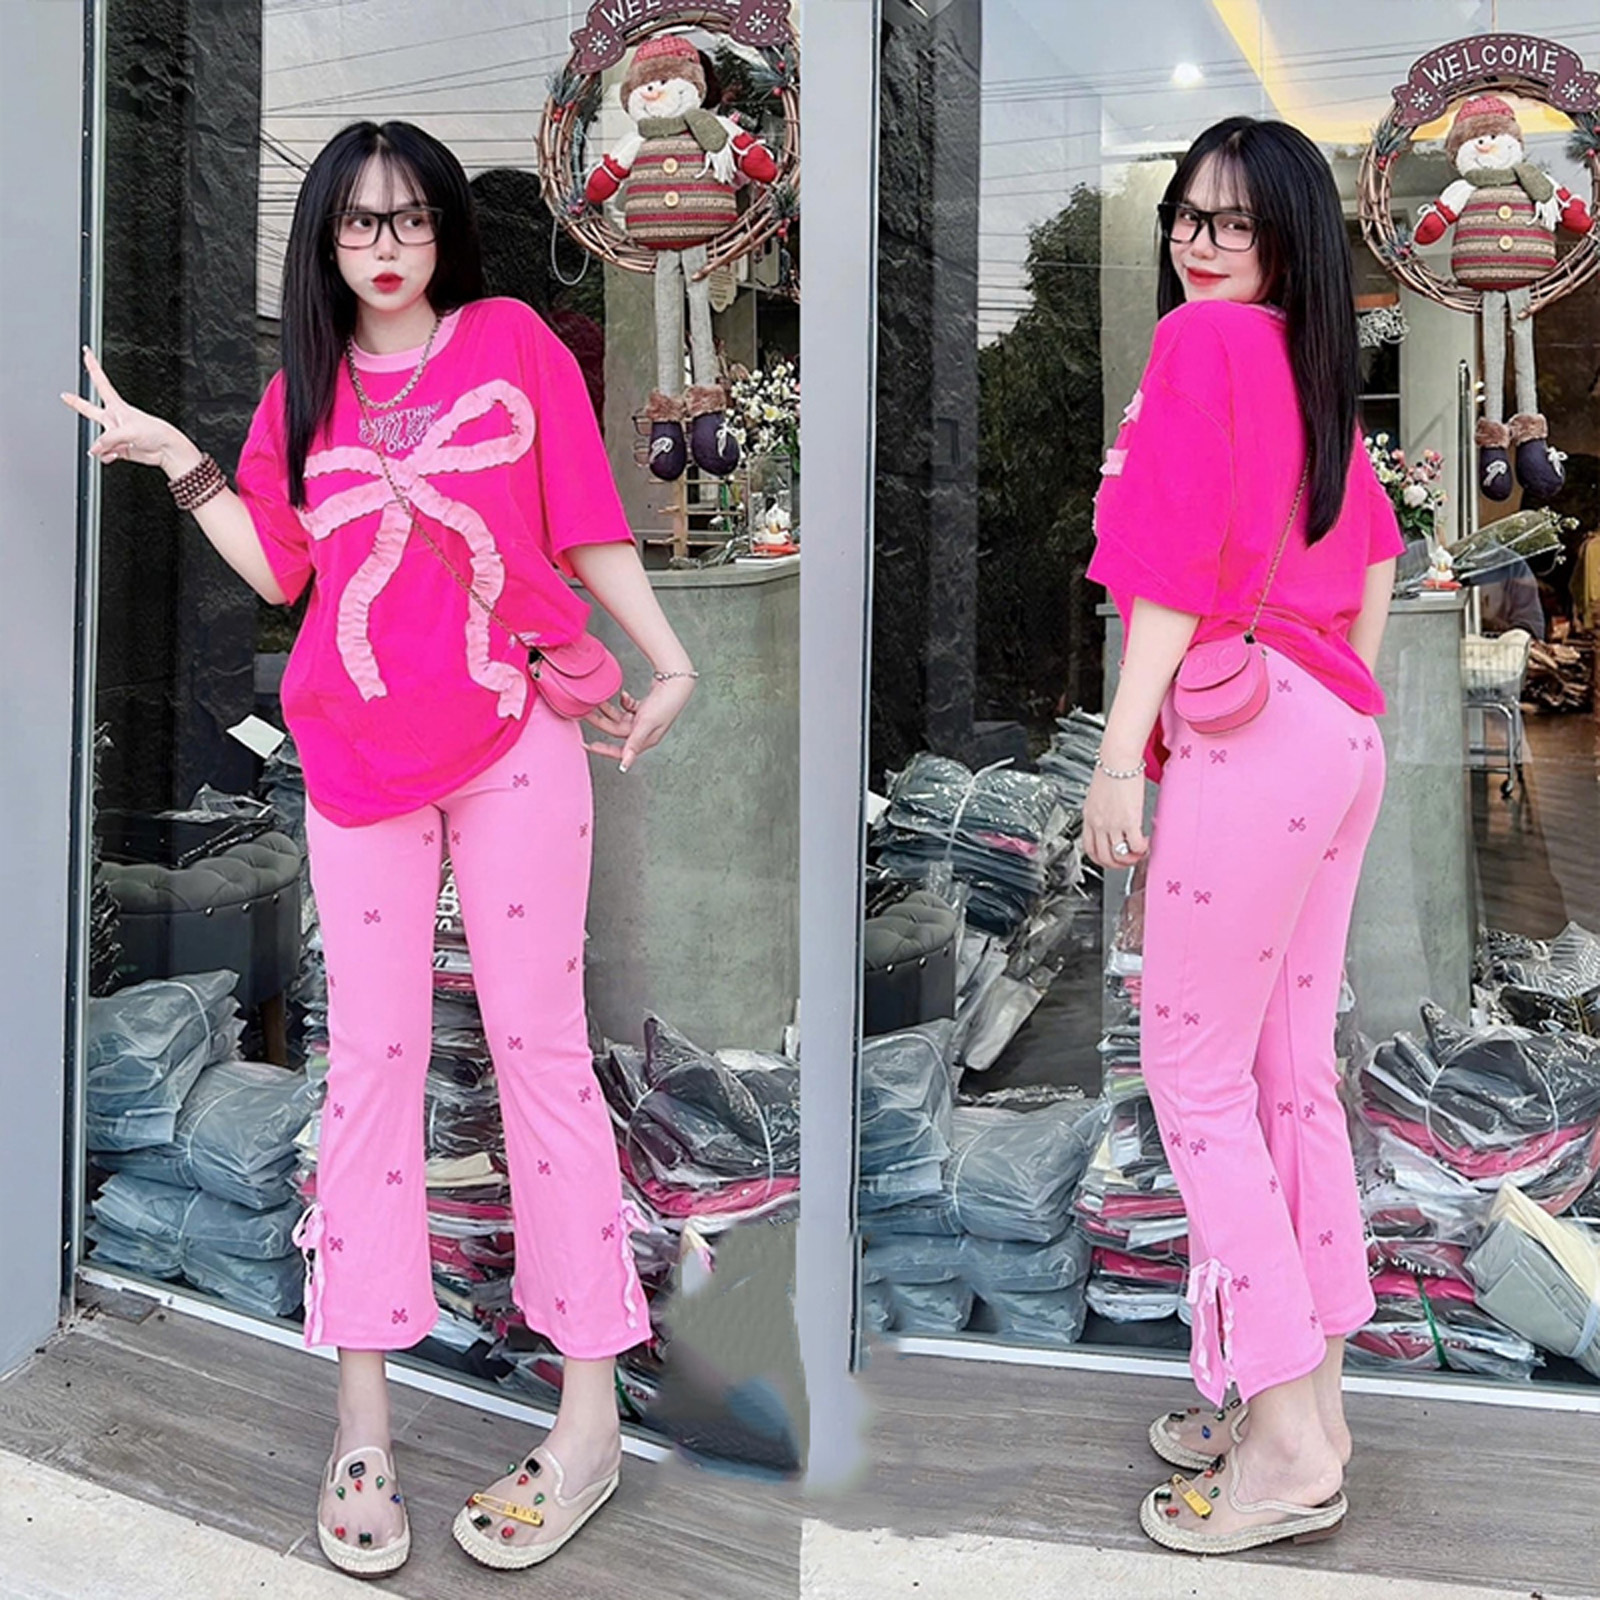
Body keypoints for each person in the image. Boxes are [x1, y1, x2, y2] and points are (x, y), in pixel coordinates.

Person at [62, 120, 699, 1577]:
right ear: (326, 242)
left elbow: (588, 519)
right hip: (357, 761)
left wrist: (667, 657)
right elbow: (285, 568)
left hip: (515, 736)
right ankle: (363, 1421)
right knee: (369, 1069)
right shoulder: (305, 390)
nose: (387, 245)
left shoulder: (514, 345)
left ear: (443, 230)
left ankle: (588, 1418)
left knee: (542, 1057)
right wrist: (180, 461)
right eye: (358, 223)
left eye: (410, 218)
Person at [1081, 116, 1404, 1556]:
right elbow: (1378, 563)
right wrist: (1328, 702)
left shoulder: (1201, 346)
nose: (1197, 243)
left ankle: (1281, 1444)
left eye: (1232, 222)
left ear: (1287, 237)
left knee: (1194, 1077)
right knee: (1288, 1078)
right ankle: (1312, 1402)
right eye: (1185, 216)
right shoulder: (1314, 369)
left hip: (1251, 727)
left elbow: (1165, 573)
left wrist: (1119, 758)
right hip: (1337, 731)